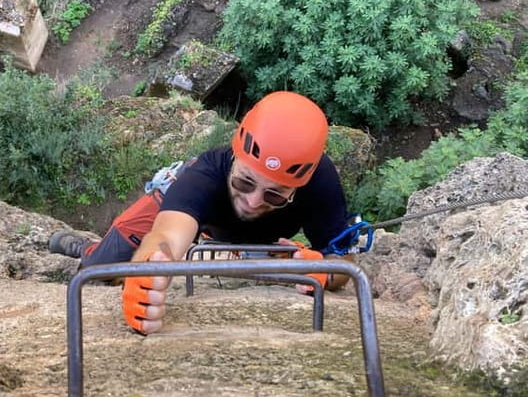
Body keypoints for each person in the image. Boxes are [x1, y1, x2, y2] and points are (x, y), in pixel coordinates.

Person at [50, 91, 353, 334]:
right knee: (99, 269)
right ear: (234, 158)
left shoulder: (321, 185)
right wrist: (148, 272)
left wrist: (326, 270)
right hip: (189, 206)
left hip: (241, 238)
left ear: (299, 187)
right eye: (244, 182)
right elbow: (167, 235)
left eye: (274, 195)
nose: (252, 200)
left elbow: (345, 262)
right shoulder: (206, 173)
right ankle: (86, 248)